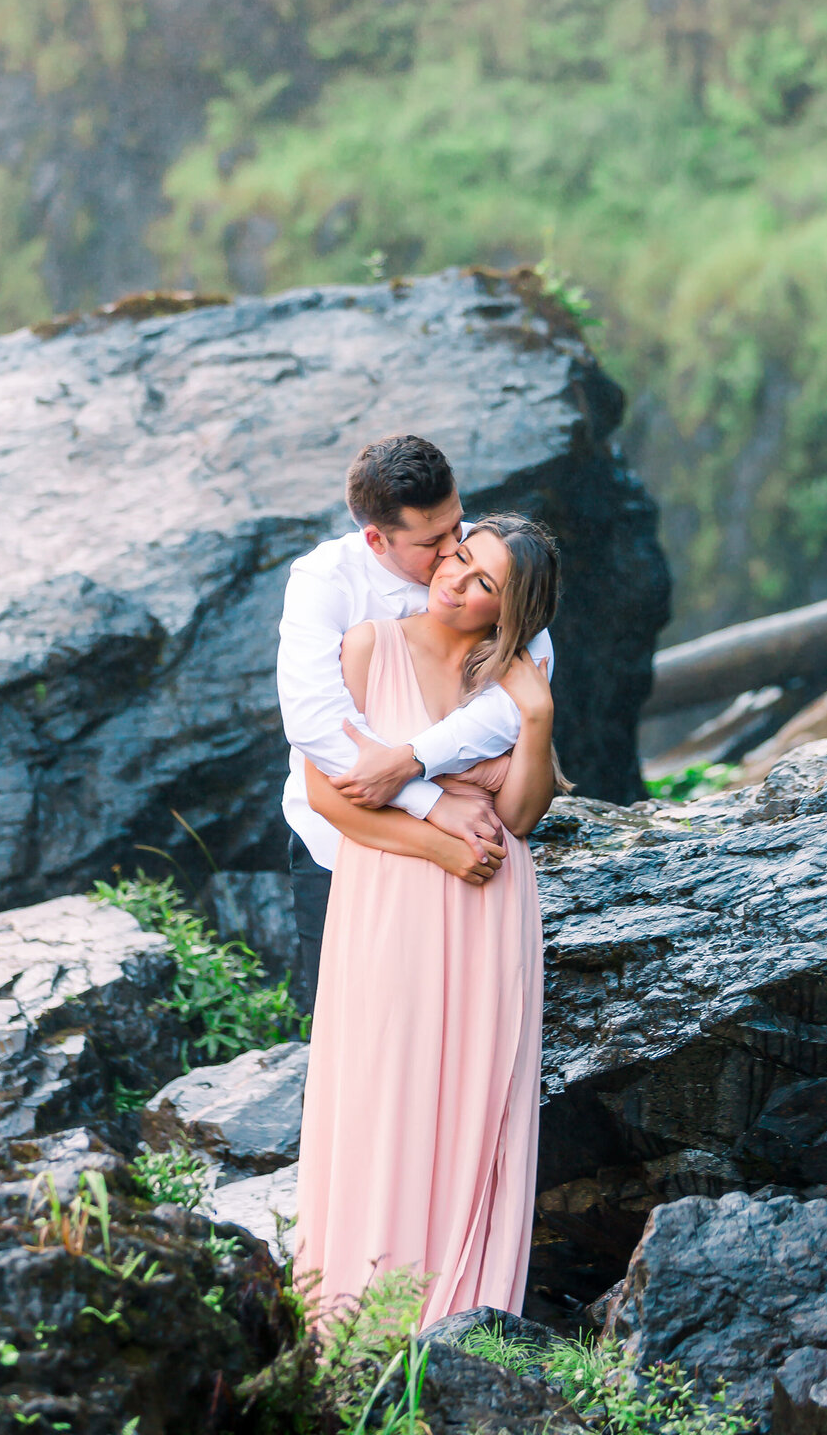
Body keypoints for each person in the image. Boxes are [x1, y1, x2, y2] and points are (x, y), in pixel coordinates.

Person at [295, 513, 563, 1323]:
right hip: (392, 893)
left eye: (483, 582)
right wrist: (439, 844)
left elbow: (519, 816)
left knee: (481, 1102)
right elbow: (323, 797)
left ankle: (464, 1317)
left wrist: (539, 718)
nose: (455, 579)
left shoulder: (513, 679)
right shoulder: (370, 647)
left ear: (508, 611)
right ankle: (355, 1310)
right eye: (459, 558)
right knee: (384, 1087)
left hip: (494, 908)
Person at [276, 435, 554, 1007]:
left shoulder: (481, 558)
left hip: (468, 863)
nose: (455, 547)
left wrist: (411, 758)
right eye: (434, 540)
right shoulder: (325, 581)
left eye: (458, 522)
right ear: (376, 537)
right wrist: (429, 803)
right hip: (341, 847)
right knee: (347, 1030)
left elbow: (511, 706)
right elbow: (317, 726)